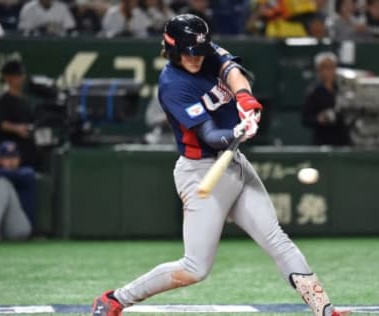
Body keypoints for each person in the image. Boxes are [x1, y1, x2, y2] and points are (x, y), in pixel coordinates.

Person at [91, 14, 349, 316]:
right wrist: (236, 132)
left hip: (234, 164)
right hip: (199, 170)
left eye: (200, 51)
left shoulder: (207, 52)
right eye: (189, 53)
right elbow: (210, 135)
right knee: (195, 268)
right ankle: (116, 299)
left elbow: (234, 71)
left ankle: (325, 310)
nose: (197, 58)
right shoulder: (172, 85)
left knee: (277, 239)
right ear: (173, 50)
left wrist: (246, 102)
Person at [0, 142, 35, 243]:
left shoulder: (26, 173)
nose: (11, 161)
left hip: (18, 227)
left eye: (14, 157)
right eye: (7, 157)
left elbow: (6, 174)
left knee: (2, 182)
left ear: (19, 159)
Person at [0, 59, 38, 168]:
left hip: (29, 152)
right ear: (8, 78)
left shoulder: (27, 100)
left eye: (21, 75)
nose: (21, 78)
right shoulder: (3, 100)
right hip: (10, 155)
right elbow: (1, 124)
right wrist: (18, 128)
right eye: (17, 75)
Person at [302, 52, 349, 146]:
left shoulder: (343, 89)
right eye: (325, 68)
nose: (329, 71)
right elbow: (305, 119)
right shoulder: (314, 92)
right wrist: (319, 119)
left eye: (332, 67)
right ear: (319, 70)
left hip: (342, 141)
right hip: (322, 141)